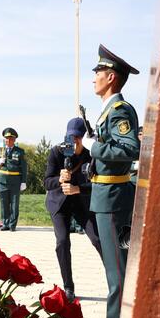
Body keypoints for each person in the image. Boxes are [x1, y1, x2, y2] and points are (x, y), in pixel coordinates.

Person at [86, 44, 141, 318]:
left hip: (113, 200)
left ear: (111, 77)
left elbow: (131, 148)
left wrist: (91, 146)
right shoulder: (109, 110)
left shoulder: (119, 109)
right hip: (105, 197)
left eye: (98, 72)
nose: (93, 77)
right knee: (115, 270)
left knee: (117, 273)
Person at [44, 118, 103, 302]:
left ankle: (117, 281)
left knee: (97, 238)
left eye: (78, 137)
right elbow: (47, 182)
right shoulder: (56, 152)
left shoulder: (91, 153)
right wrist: (59, 180)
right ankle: (68, 287)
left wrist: (79, 188)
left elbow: (98, 183)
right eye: (71, 137)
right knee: (62, 242)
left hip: (80, 202)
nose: (74, 141)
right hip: (59, 203)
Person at [0, 127, 27, 231]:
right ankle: (5, 223)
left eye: (10, 138)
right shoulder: (0, 150)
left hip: (15, 181)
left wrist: (23, 182)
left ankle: (12, 225)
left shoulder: (20, 152)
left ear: (14, 140)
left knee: (14, 204)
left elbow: (24, 167)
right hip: (2, 181)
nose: (8, 140)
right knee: (4, 203)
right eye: (6, 138)